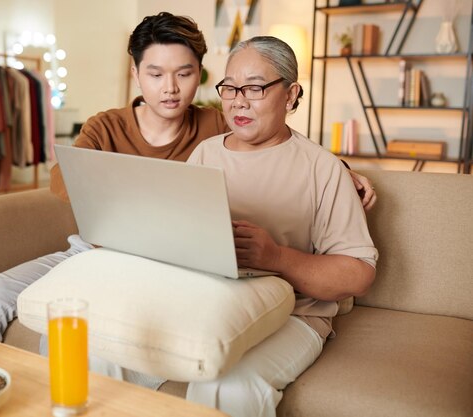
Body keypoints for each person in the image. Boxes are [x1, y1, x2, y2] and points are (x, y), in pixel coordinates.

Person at [0, 12, 377, 349]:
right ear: (137, 73)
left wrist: (343, 170)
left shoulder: (217, 124)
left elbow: (277, 144)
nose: (171, 89)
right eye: (156, 74)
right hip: (101, 247)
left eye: (185, 73)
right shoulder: (106, 126)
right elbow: (65, 180)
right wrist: (132, 196)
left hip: (161, 265)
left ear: (201, 75)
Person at [93, 35, 379, 417]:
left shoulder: (323, 168)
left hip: (293, 316)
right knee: (99, 350)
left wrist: (276, 257)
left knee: (227, 382)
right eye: (229, 88)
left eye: (255, 88)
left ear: (291, 94)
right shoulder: (206, 154)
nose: (238, 100)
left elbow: (357, 274)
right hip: (204, 306)